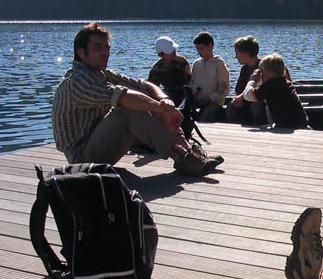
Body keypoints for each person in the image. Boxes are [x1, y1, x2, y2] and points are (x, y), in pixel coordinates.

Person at [51, 22, 223, 176]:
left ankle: (187, 152)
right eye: (98, 47)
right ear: (81, 52)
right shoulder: (77, 81)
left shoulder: (101, 73)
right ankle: (183, 156)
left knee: (146, 100)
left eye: (107, 48)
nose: (105, 52)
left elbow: (145, 85)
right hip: (82, 157)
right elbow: (124, 97)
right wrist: (160, 108)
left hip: (98, 144)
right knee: (129, 106)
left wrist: (163, 100)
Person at [243, 53, 308, 129]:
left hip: (286, 125)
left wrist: (252, 80)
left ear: (270, 72)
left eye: (262, 72)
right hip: (301, 123)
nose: (261, 75)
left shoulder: (270, 85)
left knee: (259, 128)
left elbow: (248, 96)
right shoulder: (286, 83)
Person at [188, 31, 230, 122]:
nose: (199, 52)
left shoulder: (219, 64)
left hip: (214, 102)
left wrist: (209, 99)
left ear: (210, 46)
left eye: (201, 49)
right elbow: (192, 83)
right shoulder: (196, 63)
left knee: (204, 118)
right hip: (197, 100)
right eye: (197, 49)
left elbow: (224, 89)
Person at [226, 35, 267, 126]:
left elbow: (261, 90)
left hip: (260, 101)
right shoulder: (244, 69)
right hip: (245, 100)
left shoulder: (264, 67)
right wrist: (238, 99)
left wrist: (242, 97)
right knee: (231, 107)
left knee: (256, 106)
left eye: (237, 53)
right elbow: (239, 90)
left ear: (246, 55)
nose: (236, 56)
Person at [147, 36, 191, 105]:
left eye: (173, 49)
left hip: (185, 94)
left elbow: (190, 80)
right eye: (170, 51)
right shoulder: (156, 69)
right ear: (161, 54)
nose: (173, 52)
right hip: (168, 96)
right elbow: (152, 88)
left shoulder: (181, 62)